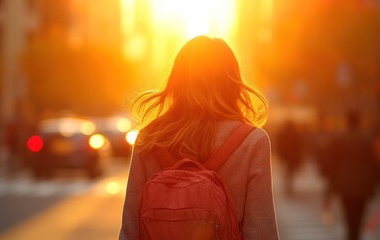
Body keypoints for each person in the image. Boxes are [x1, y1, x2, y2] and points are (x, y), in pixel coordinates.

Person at [119, 35, 280, 240]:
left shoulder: (150, 139)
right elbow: (261, 233)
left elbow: (130, 231)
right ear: (232, 82)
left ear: (177, 80)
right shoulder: (252, 142)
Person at [324, 110, 380, 240]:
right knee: (359, 217)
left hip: (344, 186)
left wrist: (328, 191)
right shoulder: (368, 140)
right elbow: (378, 166)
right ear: (359, 122)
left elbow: (331, 166)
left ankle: (351, 235)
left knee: (349, 217)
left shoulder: (339, 140)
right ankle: (355, 235)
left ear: (347, 122)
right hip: (363, 186)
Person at [275, 119, 304, 197]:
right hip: (292, 156)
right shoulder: (295, 133)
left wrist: (280, 155)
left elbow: (279, 145)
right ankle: (289, 186)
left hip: (286, 156)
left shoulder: (282, 133)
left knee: (287, 172)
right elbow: (299, 146)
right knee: (290, 172)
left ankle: (287, 186)